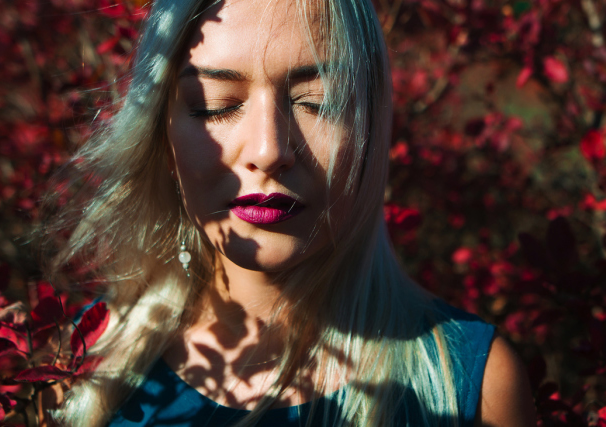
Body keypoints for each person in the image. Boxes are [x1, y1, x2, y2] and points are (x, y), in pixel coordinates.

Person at [40, 0, 535, 424]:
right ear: (162, 136)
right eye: (216, 105)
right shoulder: (87, 364)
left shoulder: (471, 385)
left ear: (371, 124)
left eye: (317, 103)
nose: (269, 149)